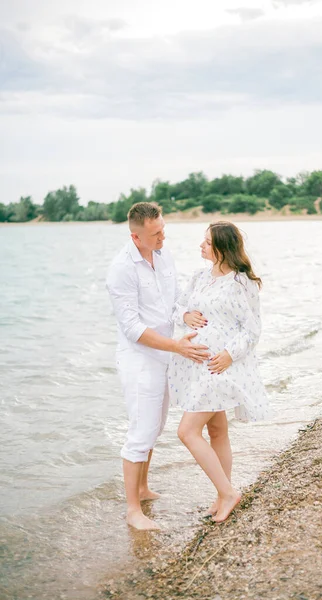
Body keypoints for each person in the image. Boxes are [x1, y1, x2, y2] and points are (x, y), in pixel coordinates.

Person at [106, 202, 209, 531]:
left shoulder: (164, 255)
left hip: (165, 353)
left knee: (155, 426)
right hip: (139, 359)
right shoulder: (121, 269)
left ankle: (143, 488)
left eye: (163, 229)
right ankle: (133, 510)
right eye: (155, 233)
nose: (163, 236)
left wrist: (185, 316)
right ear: (136, 237)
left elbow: (174, 299)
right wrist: (178, 346)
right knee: (140, 432)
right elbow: (132, 328)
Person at [169, 221, 268, 523]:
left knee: (186, 432)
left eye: (207, 241)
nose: (201, 245)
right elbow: (177, 308)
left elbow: (252, 330)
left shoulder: (241, 283)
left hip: (218, 368)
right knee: (217, 430)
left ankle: (228, 494)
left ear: (222, 248)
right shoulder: (200, 277)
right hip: (196, 367)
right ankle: (222, 494)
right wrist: (184, 315)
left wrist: (228, 355)